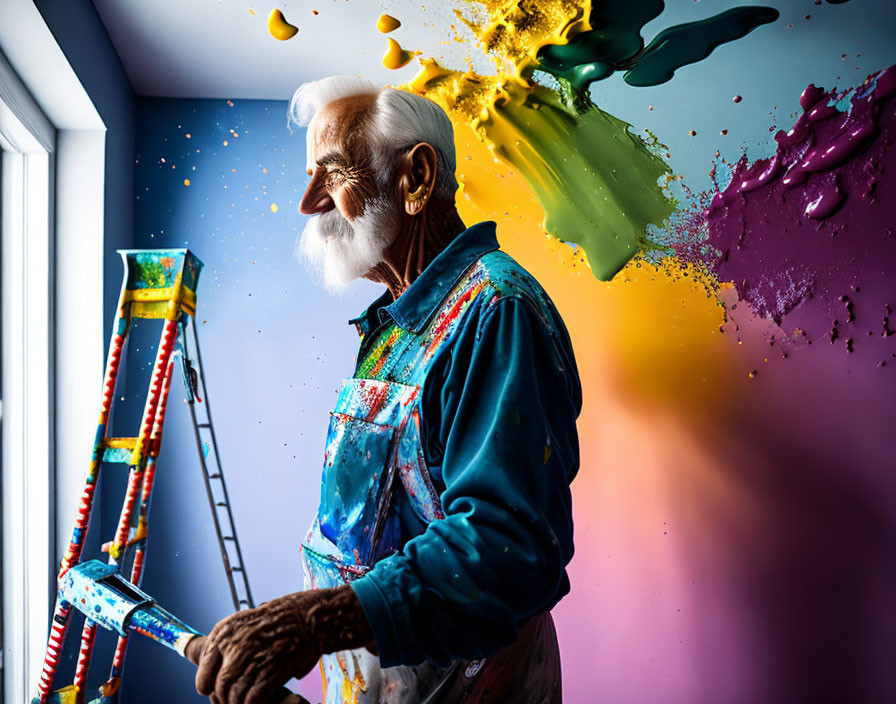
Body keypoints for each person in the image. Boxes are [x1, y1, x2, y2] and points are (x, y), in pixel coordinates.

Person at [185, 75, 582, 704]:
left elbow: (511, 546)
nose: (309, 203)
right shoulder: (396, 318)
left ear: (416, 179)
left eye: (332, 172)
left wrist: (314, 623)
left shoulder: (494, 311)